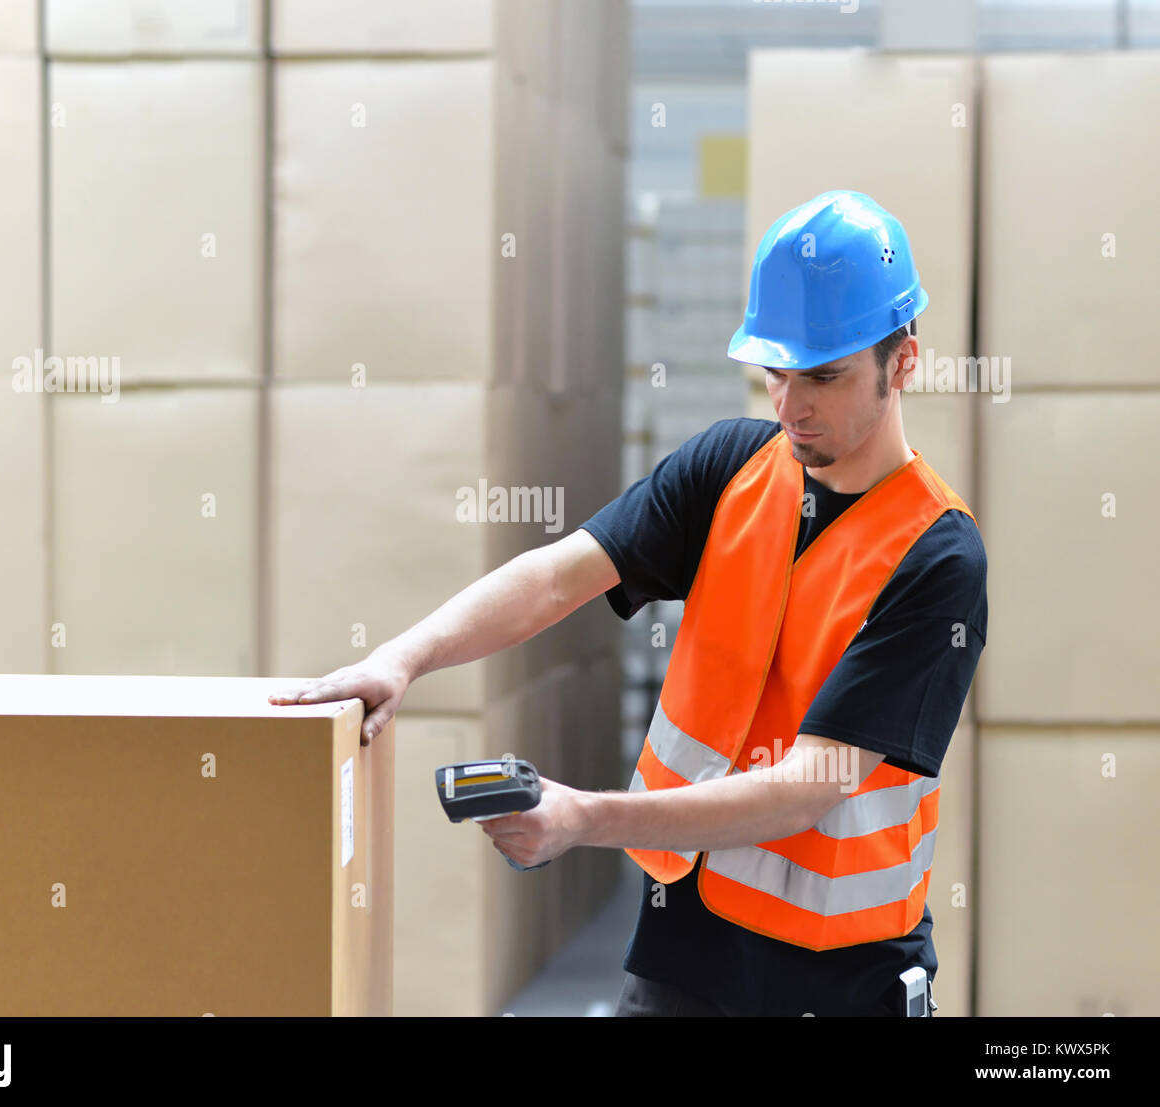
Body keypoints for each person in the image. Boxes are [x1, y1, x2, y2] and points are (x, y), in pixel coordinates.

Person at [270, 191, 986, 1017]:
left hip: (839, 979)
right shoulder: (731, 469)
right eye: (776, 372)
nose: (789, 406)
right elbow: (555, 577)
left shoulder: (937, 557)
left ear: (904, 364)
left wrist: (582, 817)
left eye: (823, 376)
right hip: (682, 948)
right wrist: (403, 656)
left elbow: (807, 786)